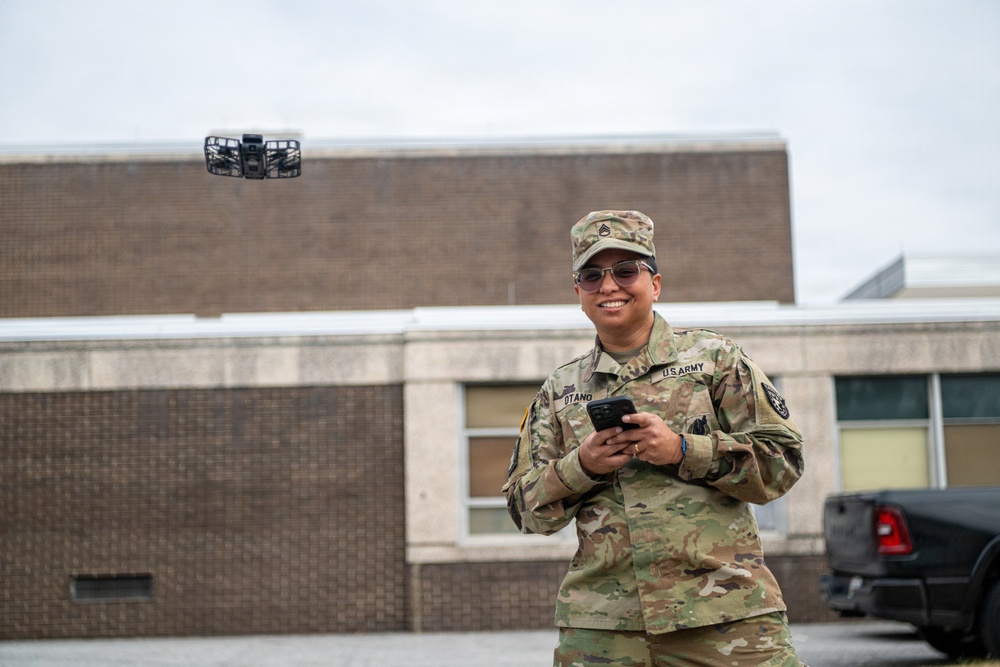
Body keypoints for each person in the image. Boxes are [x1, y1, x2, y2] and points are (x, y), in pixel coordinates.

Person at [503, 210, 806, 667]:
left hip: (726, 617)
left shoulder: (715, 360)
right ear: (578, 293)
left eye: (626, 270)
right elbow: (523, 510)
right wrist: (580, 467)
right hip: (604, 628)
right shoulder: (560, 390)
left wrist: (683, 450)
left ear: (655, 283)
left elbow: (783, 461)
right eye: (591, 275)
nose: (609, 286)